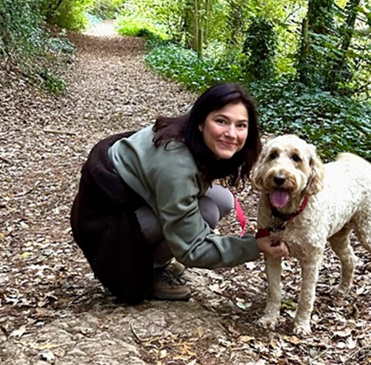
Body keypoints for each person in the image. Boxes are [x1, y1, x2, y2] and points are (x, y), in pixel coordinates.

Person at [70, 83, 288, 303]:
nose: (231, 134)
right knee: (207, 212)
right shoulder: (176, 163)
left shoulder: (190, 137)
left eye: (241, 125)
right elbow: (192, 248)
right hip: (103, 225)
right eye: (221, 121)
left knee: (222, 199)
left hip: (131, 200)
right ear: (201, 122)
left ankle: (158, 254)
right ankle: (152, 269)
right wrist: (253, 246)